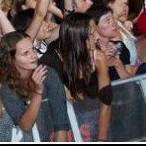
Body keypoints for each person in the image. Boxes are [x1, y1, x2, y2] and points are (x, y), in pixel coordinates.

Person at [40, 12, 111, 142]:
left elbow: (106, 101)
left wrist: (102, 140)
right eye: (91, 34)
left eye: (96, 32)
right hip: (61, 129)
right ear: (76, 37)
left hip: (92, 124)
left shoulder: (98, 57)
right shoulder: (49, 61)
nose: (96, 37)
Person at [0, 31, 69, 141]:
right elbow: (25, 126)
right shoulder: (6, 86)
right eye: (25, 53)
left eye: (33, 49)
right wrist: (38, 92)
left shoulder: (47, 73)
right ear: (11, 59)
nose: (33, 55)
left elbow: (60, 119)